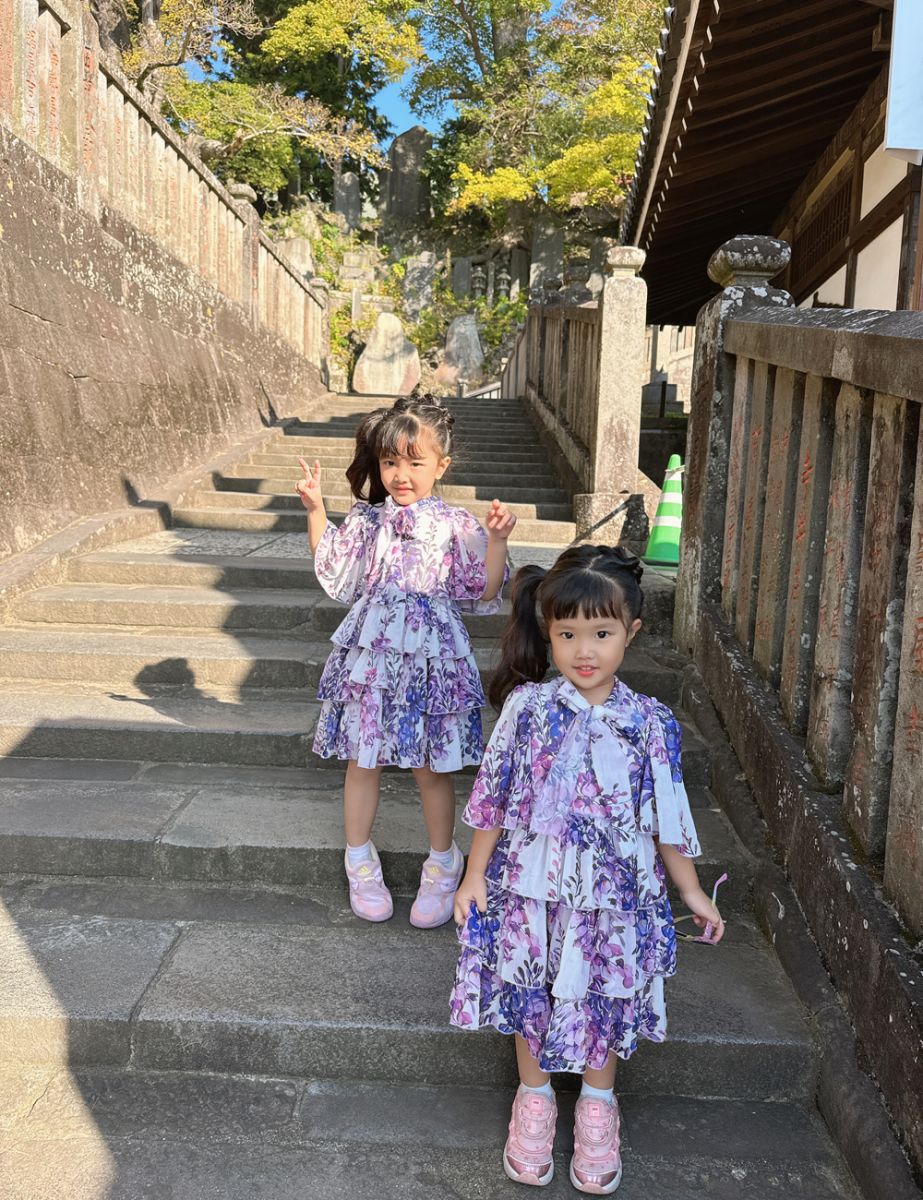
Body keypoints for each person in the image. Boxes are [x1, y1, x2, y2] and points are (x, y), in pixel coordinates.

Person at [450, 545, 724, 1193]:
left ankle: (598, 1107)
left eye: (600, 633)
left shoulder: (650, 723)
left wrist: (689, 888)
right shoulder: (528, 710)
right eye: (567, 633)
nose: (583, 649)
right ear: (547, 632)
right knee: (529, 989)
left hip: (614, 895)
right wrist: (472, 875)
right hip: (529, 886)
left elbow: (666, 813)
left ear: (629, 633)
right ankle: (534, 1098)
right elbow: (494, 795)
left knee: (604, 994)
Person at [296, 394, 516, 928]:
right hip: (372, 658)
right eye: (391, 461)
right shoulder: (368, 520)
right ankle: (359, 860)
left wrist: (497, 542)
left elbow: (482, 590)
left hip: (430, 660)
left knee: (430, 764)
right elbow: (337, 571)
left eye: (415, 463)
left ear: (441, 465)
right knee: (362, 758)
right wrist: (317, 512)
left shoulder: (454, 524)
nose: (400, 474)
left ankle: (444, 863)